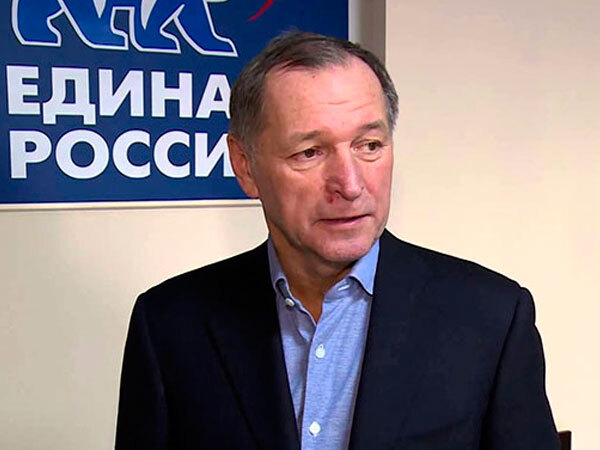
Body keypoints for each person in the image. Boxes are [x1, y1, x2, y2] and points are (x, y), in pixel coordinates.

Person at [115, 31, 560, 449]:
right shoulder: (170, 324)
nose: (350, 184)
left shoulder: (491, 318)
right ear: (245, 165)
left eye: (369, 145)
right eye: (310, 152)